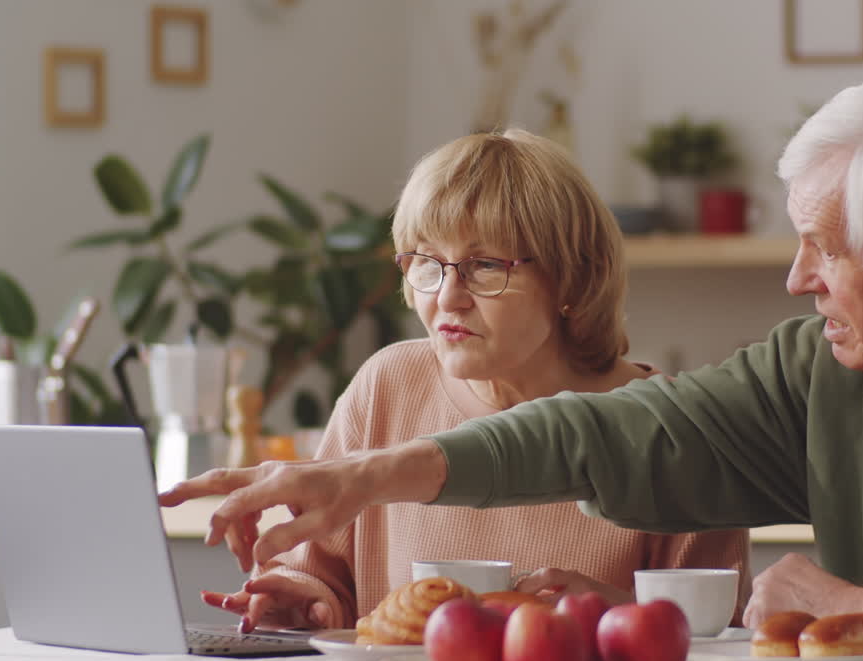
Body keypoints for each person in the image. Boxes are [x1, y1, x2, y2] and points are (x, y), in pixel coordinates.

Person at [163, 78, 863, 657]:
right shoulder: (822, 368)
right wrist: (359, 477)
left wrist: (857, 598)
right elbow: (607, 432)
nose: (797, 280)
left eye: (824, 248)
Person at [172, 128, 751, 633]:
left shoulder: (673, 429)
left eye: (485, 266)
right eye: (427, 262)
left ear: (573, 283)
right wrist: (300, 601)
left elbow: (722, 640)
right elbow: (321, 577)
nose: (448, 297)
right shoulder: (387, 385)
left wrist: (617, 612)